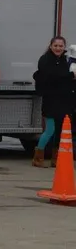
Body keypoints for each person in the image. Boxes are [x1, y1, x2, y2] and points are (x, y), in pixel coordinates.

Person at [33, 36, 74, 167]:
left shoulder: (65, 60)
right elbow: (52, 77)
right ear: (50, 46)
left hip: (64, 101)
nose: (58, 48)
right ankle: (38, 157)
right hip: (50, 101)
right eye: (55, 45)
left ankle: (56, 159)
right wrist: (71, 76)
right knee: (50, 130)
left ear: (64, 47)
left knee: (60, 131)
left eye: (61, 46)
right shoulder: (45, 60)